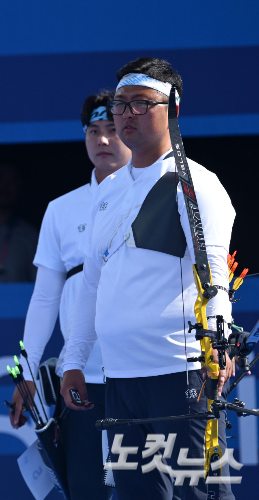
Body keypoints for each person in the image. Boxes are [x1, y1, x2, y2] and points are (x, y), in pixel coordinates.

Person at [60, 57, 236, 500]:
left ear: (173, 108)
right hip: (119, 379)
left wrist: (219, 342)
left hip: (182, 375)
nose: (126, 115)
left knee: (201, 493)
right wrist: (74, 359)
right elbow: (91, 286)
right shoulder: (107, 193)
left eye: (141, 104)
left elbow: (214, 269)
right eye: (120, 104)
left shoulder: (193, 182)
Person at [9, 90, 131, 499]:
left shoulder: (155, 195)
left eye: (112, 130)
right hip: (82, 379)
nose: (103, 140)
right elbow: (44, 299)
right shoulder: (61, 209)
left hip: (146, 374)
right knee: (87, 490)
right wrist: (27, 373)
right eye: (94, 131)